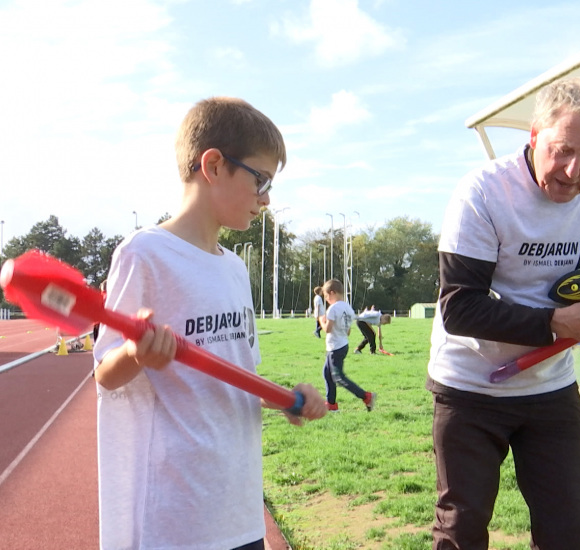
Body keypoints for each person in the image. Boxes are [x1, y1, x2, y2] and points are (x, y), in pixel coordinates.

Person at [92, 97, 327, 550]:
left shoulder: (235, 270)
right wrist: (135, 354)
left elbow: (236, 380)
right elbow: (105, 374)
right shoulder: (145, 254)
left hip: (238, 510)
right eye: (260, 179)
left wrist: (286, 400)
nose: (267, 198)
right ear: (214, 164)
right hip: (176, 518)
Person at [426, 77, 580, 550]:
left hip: (549, 386)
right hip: (470, 386)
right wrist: (556, 323)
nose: (573, 170)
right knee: (462, 528)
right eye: (562, 150)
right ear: (533, 135)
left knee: (572, 521)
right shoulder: (482, 192)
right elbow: (459, 308)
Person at [319, 279, 376, 412]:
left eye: (326, 296)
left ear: (332, 293)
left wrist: (322, 321)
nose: (326, 299)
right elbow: (348, 331)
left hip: (335, 347)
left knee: (338, 377)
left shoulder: (332, 309)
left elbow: (327, 329)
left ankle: (366, 396)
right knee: (327, 373)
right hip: (343, 344)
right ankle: (331, 404)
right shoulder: (348, 308)